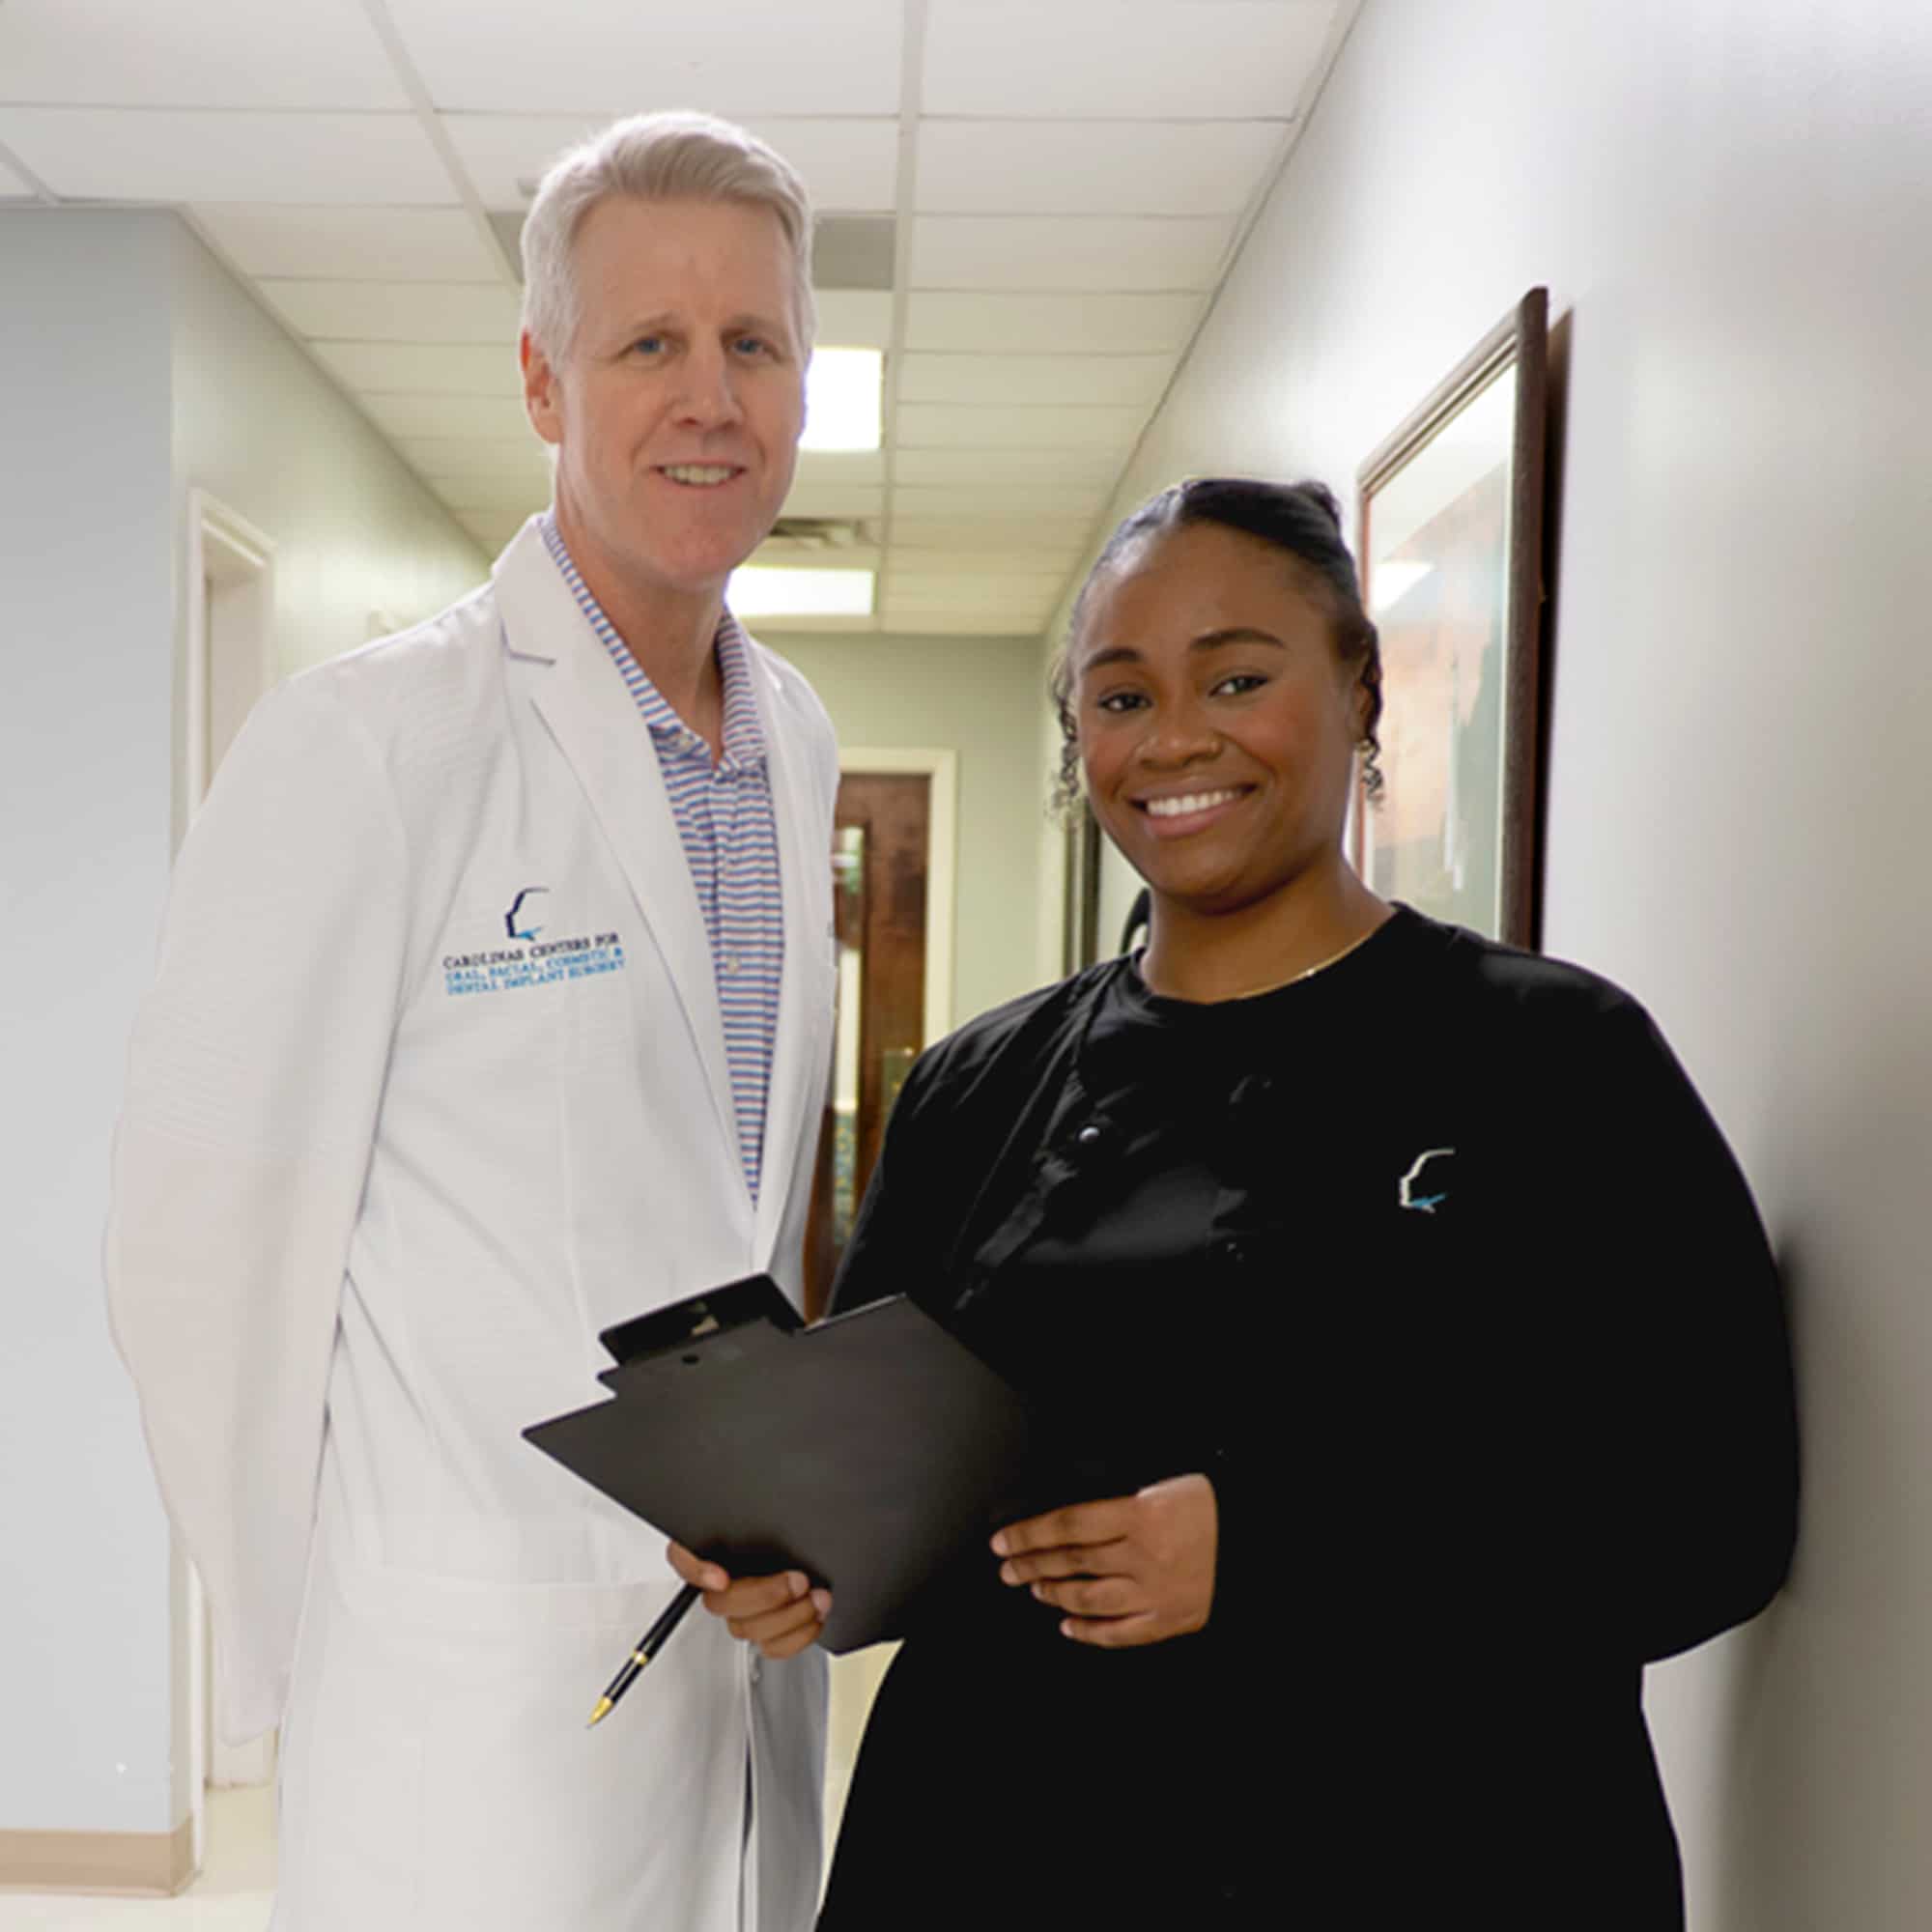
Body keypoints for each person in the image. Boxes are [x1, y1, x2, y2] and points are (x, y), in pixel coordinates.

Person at [680, 476, 1800, 1929]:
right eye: (1121, 696)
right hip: (1002, 1848)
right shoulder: (975, 1093)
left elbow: (1713, 1517)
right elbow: (894, 1480)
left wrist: (1273, 1556)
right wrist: (800, 1563)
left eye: (1239, 678)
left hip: (1442, 1852)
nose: (1176, 739)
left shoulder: (1553, 1059)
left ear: (1361, 691)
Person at [105, 112, 839, 1931]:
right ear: (540, 376)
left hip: (733, 1670)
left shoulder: (797, 741)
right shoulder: (373, 746)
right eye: (648, 344)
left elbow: (734, 1214)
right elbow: (198, 1251)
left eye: (753, 344)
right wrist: (325, 1633)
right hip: (461, 1693)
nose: (710, 398)